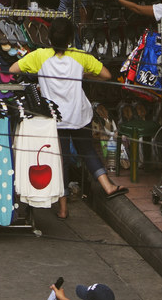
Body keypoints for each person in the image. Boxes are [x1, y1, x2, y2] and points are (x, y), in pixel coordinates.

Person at [11, 18, 124, 213]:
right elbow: (106, 75)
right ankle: (108, 186)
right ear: (71, 38)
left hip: (55, 119)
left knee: (60, 161)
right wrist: (85, 75)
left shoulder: (40, 56)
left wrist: (40, 78)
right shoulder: (80, 56)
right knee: (87, 150)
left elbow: (13, 69)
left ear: (49, 37)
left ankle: (63, 208)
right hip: (79, 115)